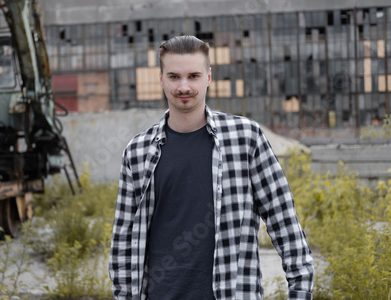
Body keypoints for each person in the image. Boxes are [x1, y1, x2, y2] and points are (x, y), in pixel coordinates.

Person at [109, 35, 314, 300]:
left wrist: (300, 290)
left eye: (193, 76)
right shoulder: (138, 152)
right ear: (160, 78)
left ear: (209, 76)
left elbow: (283, 220)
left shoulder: (245, 138)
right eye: (174, 77)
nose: (184, 87)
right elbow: (123, 242)